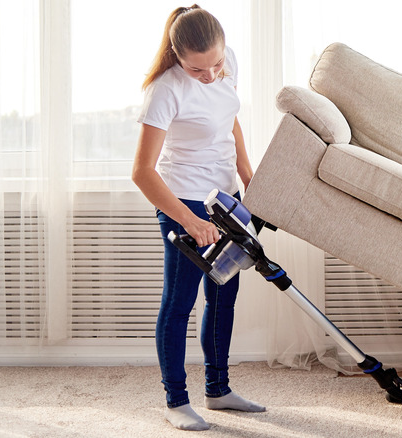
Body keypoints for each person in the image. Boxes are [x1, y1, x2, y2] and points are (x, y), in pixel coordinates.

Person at [131, 4, 264, 431]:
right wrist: (188, 221)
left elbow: (231, 122)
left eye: (216, 64)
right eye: (197, 69)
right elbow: (142, 172)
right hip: (184, 203)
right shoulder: (166, 89)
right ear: (177, 56)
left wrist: (248, 175)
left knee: (224, 296)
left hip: (228, 200)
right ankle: (175, 401)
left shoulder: (227, 64)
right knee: (179, 304)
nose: (209, 75)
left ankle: (218, 390)